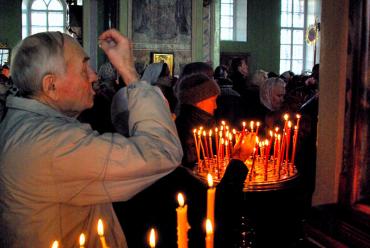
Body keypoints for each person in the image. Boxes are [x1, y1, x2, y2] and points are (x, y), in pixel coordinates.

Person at [0, 29, 182, 247]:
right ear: (51, 85)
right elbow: (162, 151)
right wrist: (130, 73)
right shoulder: (52, 144)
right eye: (83, 68)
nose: (94, 75)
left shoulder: (23, 124)